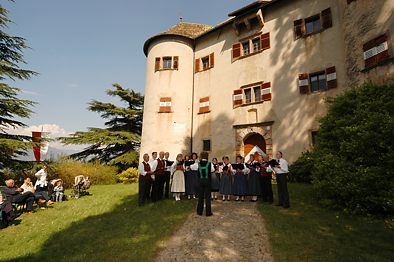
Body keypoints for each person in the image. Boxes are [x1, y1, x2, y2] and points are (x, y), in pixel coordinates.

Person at [196, 151, 214, 216]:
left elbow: (193, 167)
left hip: (200, 181)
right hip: (207, 181)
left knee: (200, 196)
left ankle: (199, 212)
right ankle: (208, 212)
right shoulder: (209, 164)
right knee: (207, 197)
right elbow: (212, 170)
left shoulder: (198, 163)